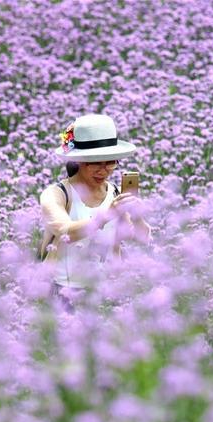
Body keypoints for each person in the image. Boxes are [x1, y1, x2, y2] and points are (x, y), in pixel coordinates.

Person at [39, 114, 151, 310]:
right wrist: (107, 214)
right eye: (95, 163)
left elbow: (142, 239)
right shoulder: (57, 194)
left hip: (107, 292)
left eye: (110, 162)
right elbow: (66, 232)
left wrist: (137, 215)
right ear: (79, 162)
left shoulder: (115, 193)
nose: (104, 170)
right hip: (64, 293)